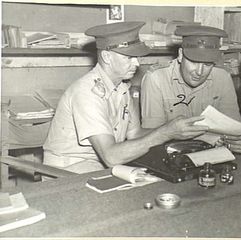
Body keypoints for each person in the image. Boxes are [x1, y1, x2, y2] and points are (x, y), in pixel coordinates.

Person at [43, 22, 208, 174]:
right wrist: (165, 133)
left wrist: (180, 131)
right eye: (129, 57)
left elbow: (135, 134)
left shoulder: (121, 87)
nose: (136, 64)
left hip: (99, 167)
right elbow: (110, 156)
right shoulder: (86, 93)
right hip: (68, 172)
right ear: (107, 57)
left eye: (136, 57)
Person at [140, 25, 241, 130]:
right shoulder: (156, 79)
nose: (199, 72)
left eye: (207, 64)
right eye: (194, 62)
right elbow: (152, 135)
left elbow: (233, 126)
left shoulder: (223, 77)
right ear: (180, 55)